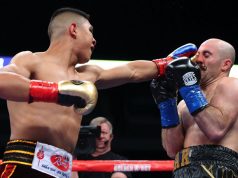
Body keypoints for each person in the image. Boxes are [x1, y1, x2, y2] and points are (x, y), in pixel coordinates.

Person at [0, 6, 197, 178]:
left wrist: (164, 65)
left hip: (61, 169)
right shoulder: (31, 60)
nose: (94, 40)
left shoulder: (87, 75)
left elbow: (132, 71)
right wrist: (55, 91)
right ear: (74, 29)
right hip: (25, 163)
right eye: (90, 31)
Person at [150, 38, 238, 178]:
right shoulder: (184, 104)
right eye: (197, 54)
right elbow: (172, 150)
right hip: (183, 170)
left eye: (206, 55)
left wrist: (189, 88)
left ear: (225, 64)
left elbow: (216, 130)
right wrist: (168, 101)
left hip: (217, 169)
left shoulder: (231, 85)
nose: (197, 59)